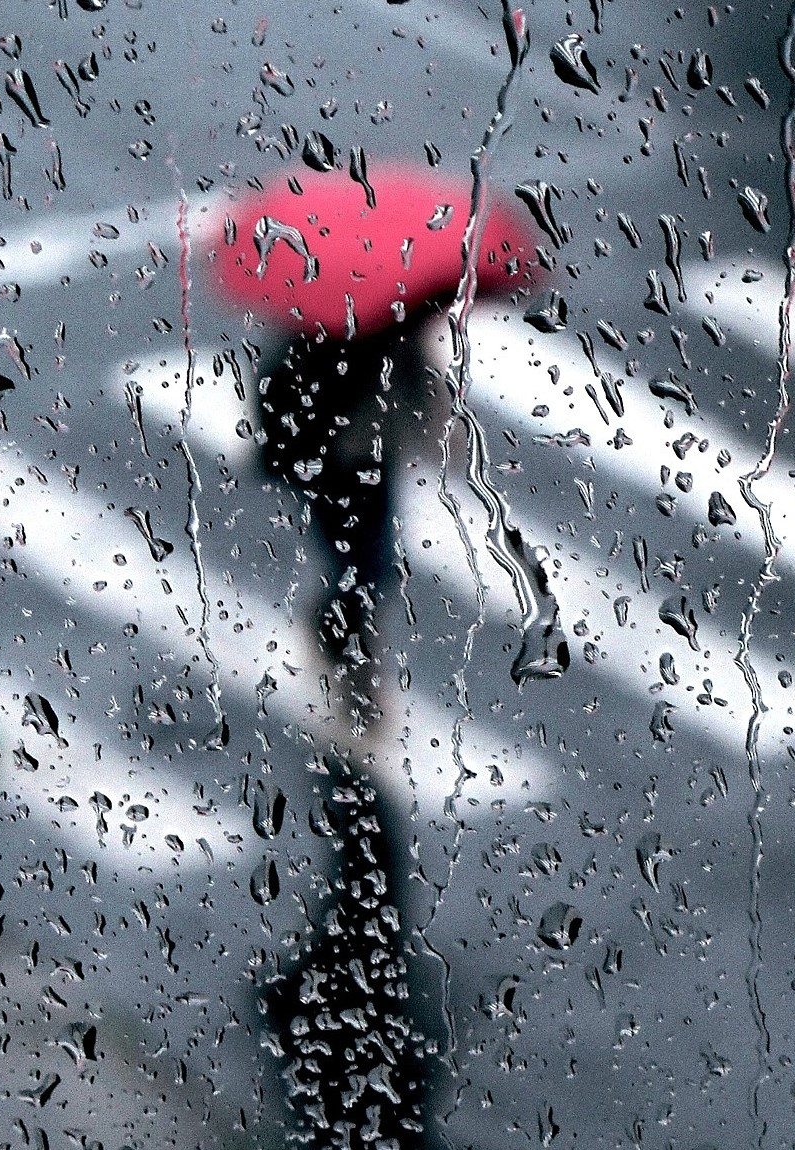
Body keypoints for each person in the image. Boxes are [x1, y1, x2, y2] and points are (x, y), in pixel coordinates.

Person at [209, 162, 540, 1147]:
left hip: (352, 480)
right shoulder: (348, 347)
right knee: (357, 571)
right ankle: (347, 652)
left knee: (360, 568)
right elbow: (316, 429)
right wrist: (394, 415)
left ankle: (349, 639)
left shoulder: (360, 330)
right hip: (348, 482)